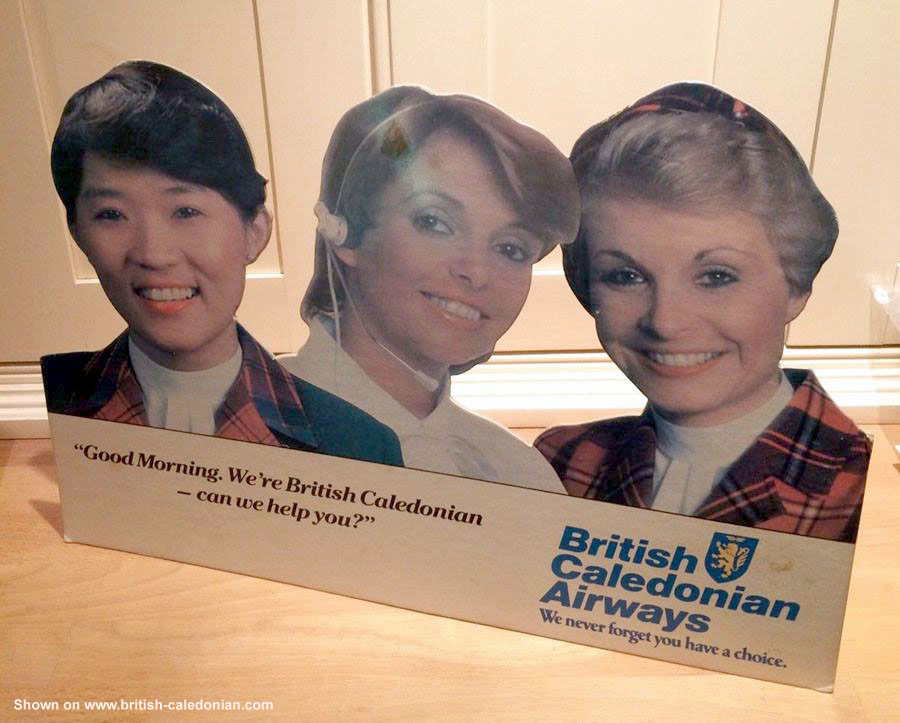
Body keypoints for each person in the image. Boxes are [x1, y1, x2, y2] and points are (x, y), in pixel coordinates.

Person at [535, 82, 870, 541]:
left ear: (796, 285)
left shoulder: (865, 490)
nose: (665, 322)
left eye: (715, 276)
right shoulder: (561, 464)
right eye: (625, 276)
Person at [42, 60, 402, 466]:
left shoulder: (359, 445)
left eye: (186, 211)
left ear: (254, 230)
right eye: (111, 214)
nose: (153, 254)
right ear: (78, 233)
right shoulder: (68, 405)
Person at [278, 87, 579, 490]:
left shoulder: (521, 475)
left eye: (511, 248)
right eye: (434, 222)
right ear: (346, 233)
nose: (476, 272)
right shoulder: (236, 416)